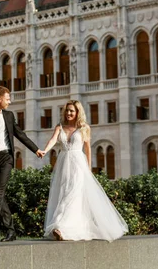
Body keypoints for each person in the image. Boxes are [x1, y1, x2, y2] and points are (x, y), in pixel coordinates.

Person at [41, 100, 128, 242]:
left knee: (72, 195)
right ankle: (68, 228)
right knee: (63, 194)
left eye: (72, 111)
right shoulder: (60, 127)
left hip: (77, 165)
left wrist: (88, 169)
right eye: (67, 110)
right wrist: (44, 151)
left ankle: (59, 227)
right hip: (63, 165)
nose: (68, 113)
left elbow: (87, 149)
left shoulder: (84, 128)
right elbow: (52, 140)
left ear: (77, 113)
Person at [0, 86, 45, 242]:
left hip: (6, 158)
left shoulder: (9, 116)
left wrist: (36, 150)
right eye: (7, 99)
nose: (10, 102)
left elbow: (20, 134)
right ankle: (11, 231)